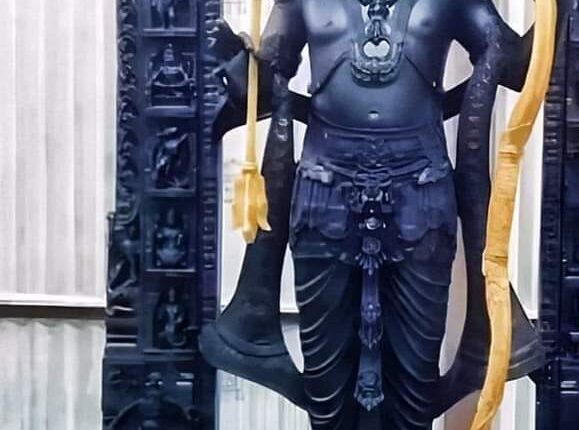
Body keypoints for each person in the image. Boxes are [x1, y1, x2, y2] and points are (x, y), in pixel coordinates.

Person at [206, 1, 546, 428]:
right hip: (325, 191)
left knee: (414, 383)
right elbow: (264, 84)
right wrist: (234, 63)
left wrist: (561, 12)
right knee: (326, 385)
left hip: (421, 193)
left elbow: (514, 66)